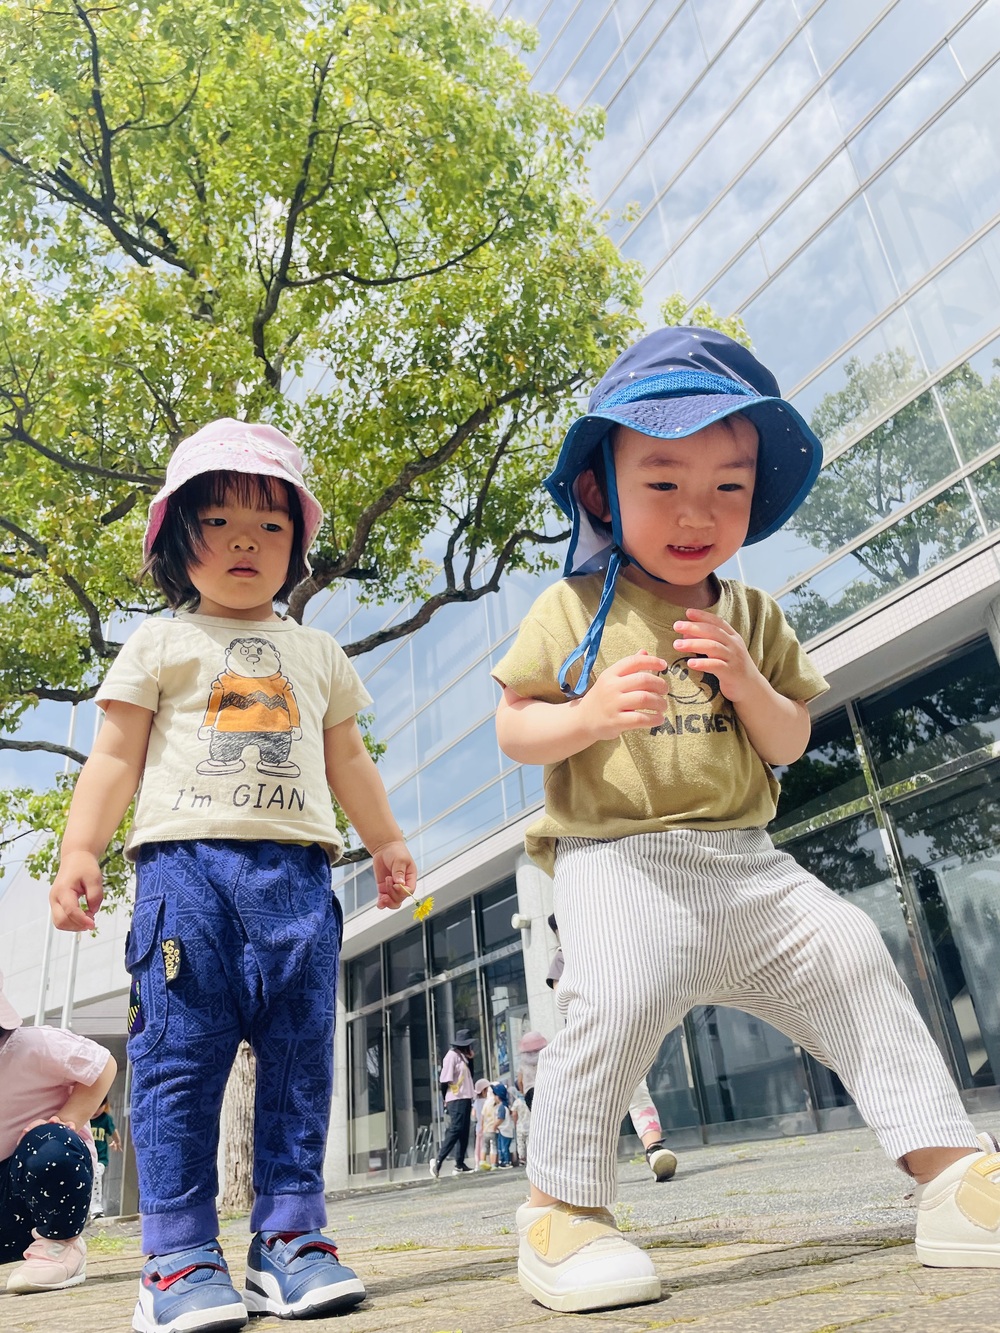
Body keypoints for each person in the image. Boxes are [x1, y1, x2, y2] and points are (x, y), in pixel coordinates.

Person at [492, 326, 1000, 1314]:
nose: (697, 513)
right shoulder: (572, 605)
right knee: (614, 998)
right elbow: (516, 725)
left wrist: (746, 679)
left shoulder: (753, 613)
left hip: (749, 863)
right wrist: (590, 715)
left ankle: (953, 1174)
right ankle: (559, 1212)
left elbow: (790, 737)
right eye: (664, 482)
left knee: (853, 951)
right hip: (621, 859)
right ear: (600, 490)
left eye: (728, 486)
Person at [48, 420, 416, 1332]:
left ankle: (290, 1239)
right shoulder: (159, 643)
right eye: (218, 521)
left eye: (272, 525)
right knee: (179, 1063)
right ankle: (175, 1255)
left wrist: (389, 837)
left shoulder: (318, 653)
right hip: (186, 877)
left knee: (299, 1064)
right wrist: (80, 849)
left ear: (298, 545)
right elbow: (113, 758)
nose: (247, 541)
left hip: (300, 878)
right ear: (178, 540)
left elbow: (350, 760)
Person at [0, 971, 116, 1295]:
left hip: (41, 1181)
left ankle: (60, 1245)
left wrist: (67, 1117)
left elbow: (102, 1065)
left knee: (50, 1146)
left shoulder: (32, 1046)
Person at [548, 918, 677, 1183]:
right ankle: (580, 1167)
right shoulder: (562, 959)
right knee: (587, 1103)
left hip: (620, 1030)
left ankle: (655, 1150)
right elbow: (563, 1001)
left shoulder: (602, 948)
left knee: (637, 1089)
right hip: (586, 1038)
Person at [429, 1029, 476, 1178]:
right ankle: (438, 1160)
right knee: (455, 1129)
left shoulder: (463, 1057)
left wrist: (471, 1059)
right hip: (455, 1098)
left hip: (466, 1097)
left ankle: (460, 1163)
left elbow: (471, 1075)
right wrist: (444, 1098)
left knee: (464, 1130)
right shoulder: (451, 1056)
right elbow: (444, 1080)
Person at [88, 1095, 122, 1220]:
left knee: (96, 1174)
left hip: (100, 1158)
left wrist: (117, 1142)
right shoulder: (84, 1118)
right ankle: (85, 1208)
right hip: (85, 1157)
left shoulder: (105, 1119)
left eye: (100, 1107)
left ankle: (96, 1207)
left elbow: (113, 1131)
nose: (96, 1111)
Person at [493, 1083, 516, 1167]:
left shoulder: (502, 1107)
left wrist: (494, 1126)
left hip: (504, 1131)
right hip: (504, 1131)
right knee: (502, 1147)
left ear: (498, 1096)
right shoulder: (504, 1106)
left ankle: (507, 1161)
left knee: (504, 1147)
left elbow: (500, 1119)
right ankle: (502, 1161)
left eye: (495, 1095)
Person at [472, 1079, 491, 1169]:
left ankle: (478, 1163)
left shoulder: (476, 1102)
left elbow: (473, 1114)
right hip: (487, 1127)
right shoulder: (487, 1102)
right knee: (488, 1145)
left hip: (478, 1127)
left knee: (479, 1146)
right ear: (484, 1091)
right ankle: (488, 1162)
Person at [511, 1084, 530, 1168]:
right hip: (529, 1125)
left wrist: (514, 1123)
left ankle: (522, 1158)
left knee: (520, 1143)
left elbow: (514, 1114)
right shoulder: (529, 1100)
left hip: (520, 1126)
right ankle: (530, 1157)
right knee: (529, 1142)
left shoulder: (517, 1101)